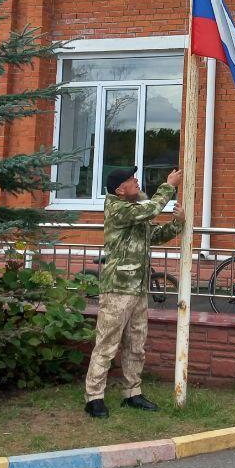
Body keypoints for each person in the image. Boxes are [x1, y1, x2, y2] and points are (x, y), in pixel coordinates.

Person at [83, 165, 184, 418]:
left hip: (137, 288)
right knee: (107, 344)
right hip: (117, 288)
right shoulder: (117, 208)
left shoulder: (134, 210)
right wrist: (169, 186)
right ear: (120, 189)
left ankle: (132, 393)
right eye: (130, 179)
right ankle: (94, 397)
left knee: (136, 344)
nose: (136, 181)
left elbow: (155, 235)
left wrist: (177, 223)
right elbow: (152, 208)